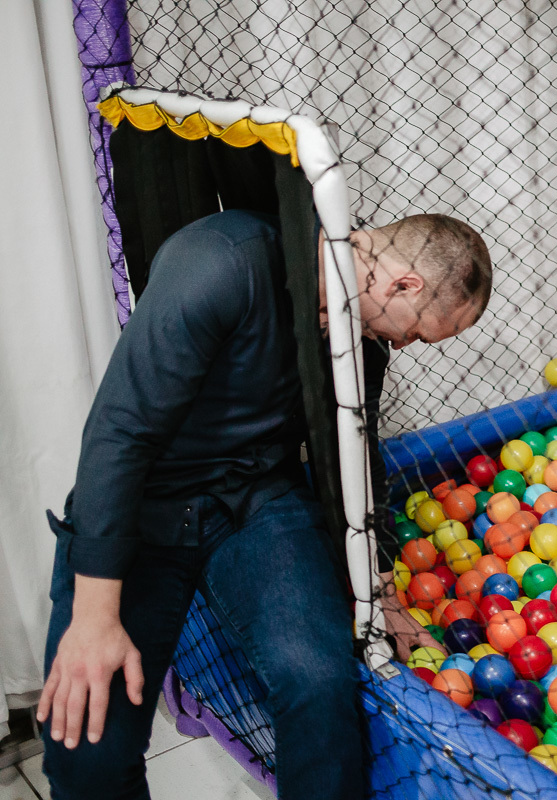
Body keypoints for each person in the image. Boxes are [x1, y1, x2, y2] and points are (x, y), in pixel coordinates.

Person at [37, 209, 491, 800]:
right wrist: (95, 618)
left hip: (258, 500)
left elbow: (356, 451)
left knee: (319, 682)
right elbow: (121, 432)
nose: (404, 346)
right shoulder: (226, 260)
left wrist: (381, 589)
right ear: (403, 285)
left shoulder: (364, 338)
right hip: (148, 503)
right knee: (83, 749)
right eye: (416, 333)